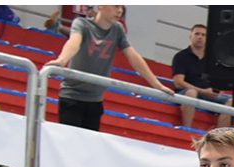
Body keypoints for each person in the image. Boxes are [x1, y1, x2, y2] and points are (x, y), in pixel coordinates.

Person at [45, 5, 173, 132]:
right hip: (72, 97)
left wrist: (157, 85)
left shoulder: (117, 29)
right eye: (115, 6)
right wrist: (61, 61)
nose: (120, 11)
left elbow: (133, 56)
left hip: (95, 100)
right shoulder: (81, 24)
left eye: (121, 7)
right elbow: (74, 42)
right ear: (101, 5)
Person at [171, 24, 234, 130]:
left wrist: (218, 90)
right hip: (187, 93)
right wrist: (202, 91)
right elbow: (178, 83)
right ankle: (186, 129)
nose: (200, 37)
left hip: (208, 95)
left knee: (232, 101)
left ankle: (217, 135)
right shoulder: (181, 57)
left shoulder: (213, 60)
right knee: (191, 93)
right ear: (190, 37)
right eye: (197, 34)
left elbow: (219, 81)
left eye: (203, 35)